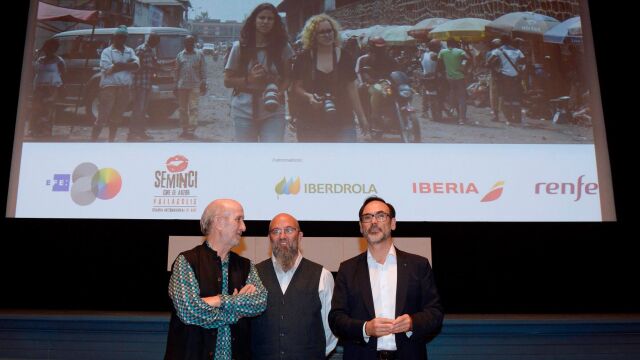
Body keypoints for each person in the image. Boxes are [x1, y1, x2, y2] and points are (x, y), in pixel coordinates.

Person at [329, 196, 443, 360]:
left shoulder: (418, 265)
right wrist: (365, 328)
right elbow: (336, 319)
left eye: (381, 215)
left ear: (393, 223)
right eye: (367, 217)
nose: (374, 222)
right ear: (361, 227)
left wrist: (412, 322)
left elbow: (435, 313)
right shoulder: (347, 269)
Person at [164, 199, 268, 360]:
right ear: (219, 222)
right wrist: (235, 309)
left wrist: (217, 301)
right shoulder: (186, 261)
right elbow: (189, 311)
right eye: (238, 219)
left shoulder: (246, 266)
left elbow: (260, 301)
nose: (244, 227)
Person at [251, 213, 338, 359]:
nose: (282, 236)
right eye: (276, 231)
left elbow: (330, 332)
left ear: (300, 236)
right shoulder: (253, 275)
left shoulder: (323, 276)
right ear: (269, 238)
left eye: (289, 230)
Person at [292, 14, 369, 142]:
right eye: (321, 32)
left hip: (343, 118)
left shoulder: (345, 56)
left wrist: (361, 117)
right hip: (310, 121)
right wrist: (309, 97)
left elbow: (351, 88)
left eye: (329, 31)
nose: (327, 35)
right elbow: (296, 87)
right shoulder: (303, 58)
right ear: (313, 36)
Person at [224, 3, 293, 142]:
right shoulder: (240, 47)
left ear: (275, 22)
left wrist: (279, 93)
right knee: (248, 156)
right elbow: (227, 80)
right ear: (254, 20)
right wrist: (249, 79)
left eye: (270, 18)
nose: (265, 22)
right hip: (244, 109)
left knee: (272, 153)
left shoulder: (283, 47)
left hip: (273, 109)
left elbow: (288, 77)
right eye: (261, 18)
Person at [92, 25, 139, 141]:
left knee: (117, 116)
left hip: (124, 87)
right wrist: (126, 65)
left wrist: (118, 65)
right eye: (118, 37)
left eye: (123, 37)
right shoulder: (107, 52)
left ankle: (111, 140)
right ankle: (93, 141)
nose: (121, 39)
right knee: (103, 116)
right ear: (114, 37)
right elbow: (107, 69)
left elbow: (136, 66)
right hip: (109, 87)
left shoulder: (130, 51)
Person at [356, 36, 398, 132]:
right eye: (377, 47)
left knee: (402, 91)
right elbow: (360, 73)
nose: (380, 49)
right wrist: (368, 80)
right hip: (371, 85)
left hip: (387, 84)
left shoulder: (389, 59)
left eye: (382, 47)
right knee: (377, 91)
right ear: (371, 47)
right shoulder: (363, 59)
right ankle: (375, 118)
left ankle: (399, 117)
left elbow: (397, 70)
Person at [30, 38, 66, 137]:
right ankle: (35, 131)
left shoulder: (59, 61)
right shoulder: (40, 60)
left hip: (52, 88)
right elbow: (35, 73)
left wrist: (61, 89)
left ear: (55, 49)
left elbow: (63, 75)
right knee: (37, 109)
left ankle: (46, 133)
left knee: (48, 111)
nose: (48, 50)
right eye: (46, 48)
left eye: (51, 48)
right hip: (39, 88)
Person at [486, 37, 525, 125]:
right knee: (516, 98)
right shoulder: (518, 51)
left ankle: (509, 118)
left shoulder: (498, 51)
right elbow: (523, 64)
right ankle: (518, 118)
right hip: (516, 78)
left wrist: (497, 71)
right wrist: (519, 72)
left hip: (504, 77)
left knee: (506, 98)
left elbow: (488, 63)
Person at [129, 32, 160, 141]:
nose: (157, 44)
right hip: (139, 84)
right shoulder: (141, 49)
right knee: (138, 109)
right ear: (151, 40)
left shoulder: (151, 50)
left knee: (143, 110)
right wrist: (149, 67)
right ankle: (132, 133)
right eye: (156, 42)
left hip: (147, 83)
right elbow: (135, 67)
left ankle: (141, 132)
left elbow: (154, 65)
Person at [175, 35, 207, 139]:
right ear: (184, 44)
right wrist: (175, 85)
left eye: (191, 42)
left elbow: (203, 70)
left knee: (193, 108)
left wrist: (204, 83)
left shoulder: (199, 54)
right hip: (182, 86)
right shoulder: (180, 55)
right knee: (182, 109)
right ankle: (184, 130)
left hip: (195, 86)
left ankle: (191, 131)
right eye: (187, 42)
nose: (189, 44)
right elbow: (176, 71)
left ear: (194, 43)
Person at [438, 39, 469, 125]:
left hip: (449, 77)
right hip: (460, 77)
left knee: (452, 94)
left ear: (447, 44)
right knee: (462, 97)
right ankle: (461, 118)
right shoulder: (460, 51)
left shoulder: (442, 52)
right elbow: (467, 58)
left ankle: (452, 110)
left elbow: (439, 64)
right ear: (456, 44)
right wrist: (463, 66)